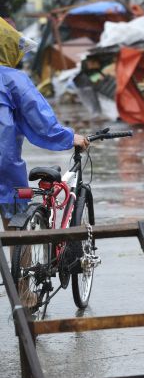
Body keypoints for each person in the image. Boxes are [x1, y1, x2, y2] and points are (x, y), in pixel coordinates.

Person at [0, 18, 89, 231]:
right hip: (4, 168)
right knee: (17, 231)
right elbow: (40, 119)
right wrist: (69, 137)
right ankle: (21, 265)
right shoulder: (12, 79)